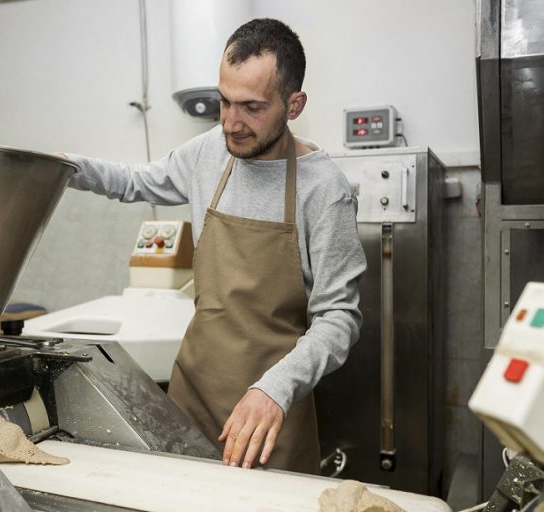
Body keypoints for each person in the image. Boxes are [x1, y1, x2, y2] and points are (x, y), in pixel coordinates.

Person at [65, 18, 366, 474]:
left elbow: (339, 317)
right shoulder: (209, 152)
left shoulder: (324, 190)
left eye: (251, 106)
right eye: (224, 101)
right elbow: (134, 181)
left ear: (294, 104)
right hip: (191, 397)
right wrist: (60, 168)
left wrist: (275, 389)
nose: (231, 122)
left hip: (269, 418)